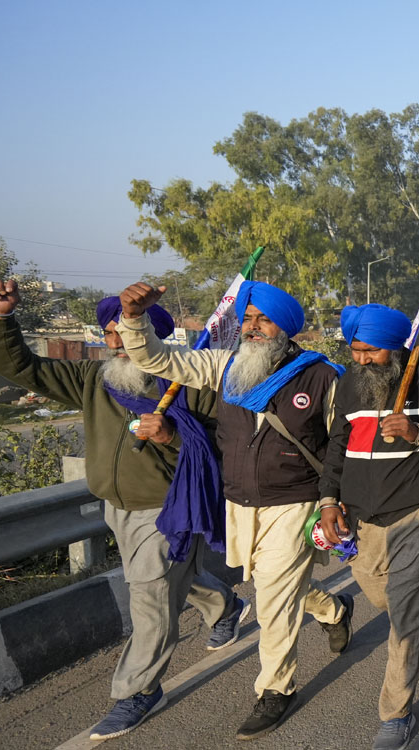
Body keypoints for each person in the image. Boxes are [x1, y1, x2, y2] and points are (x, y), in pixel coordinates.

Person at [0, 282, 242, 741]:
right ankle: (224, 606)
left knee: (149, 593)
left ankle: (138, 690)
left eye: (128, 332)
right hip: (117, 505)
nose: (119, 343)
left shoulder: (191, 381)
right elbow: (22, 368)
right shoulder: (93, 378)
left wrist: (174, 436)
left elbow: (226, 447)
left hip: (169, 506)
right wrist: (1, 320)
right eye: (110, 334)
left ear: (153, 337)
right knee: (160, 581)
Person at [116, 280, 351, 740]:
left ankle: (276, 689)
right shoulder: (225, 365)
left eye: (264, 319)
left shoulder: (323, 377)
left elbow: (339, 446)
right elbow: (158, 359)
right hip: (239, 503)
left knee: (273, 601)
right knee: (269, 585)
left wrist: (331, 501)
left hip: (294, 503)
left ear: (285, 328)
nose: (252, 327)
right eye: (247, 319)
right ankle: (333, 610)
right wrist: (134, 320)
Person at [310, 303, 419, 749]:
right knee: (377, 590)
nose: (361, 359)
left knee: (404, 617)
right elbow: (337, 446)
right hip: (363, 517)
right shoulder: (348, 383)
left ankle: (395, 715)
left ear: (396, 348)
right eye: (356, 350)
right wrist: (328, 500)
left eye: (372, 352)